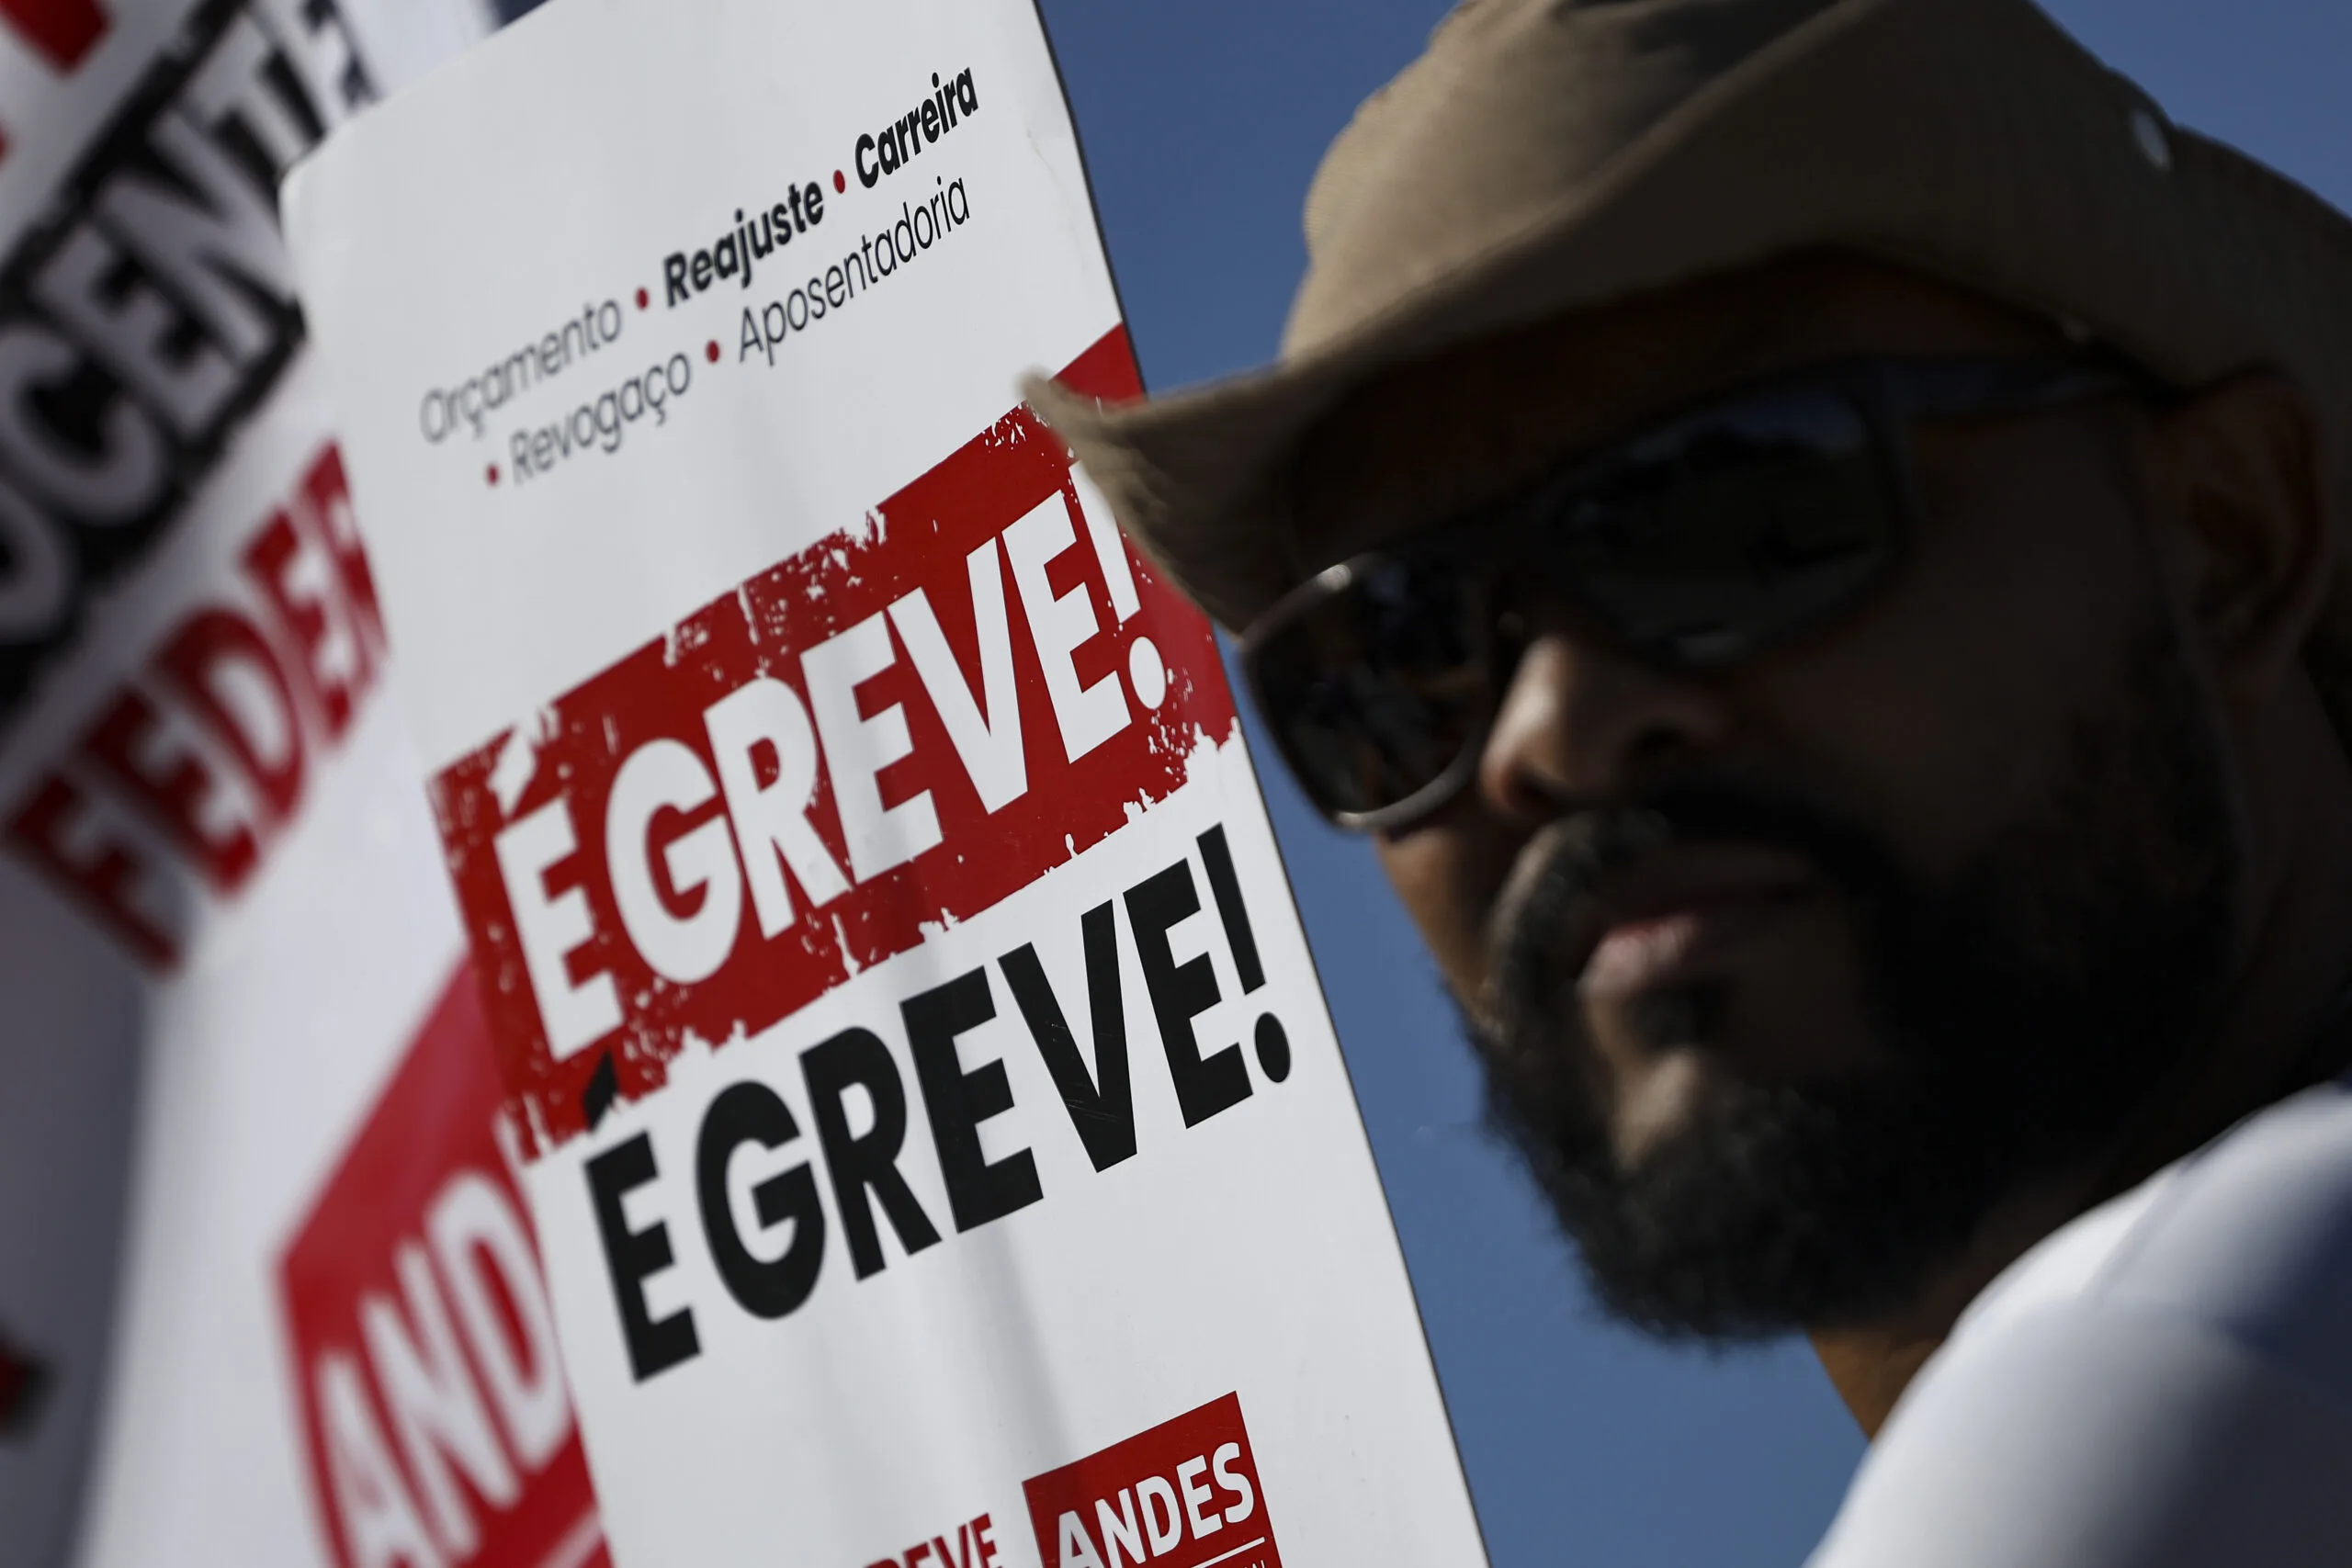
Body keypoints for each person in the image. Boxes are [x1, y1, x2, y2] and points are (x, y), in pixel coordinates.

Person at [1030, 0, 2352, 1560]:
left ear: (2227, 541)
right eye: (1402, 650)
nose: (1548, 733)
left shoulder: (2196, 1367)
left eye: (1734, 506)